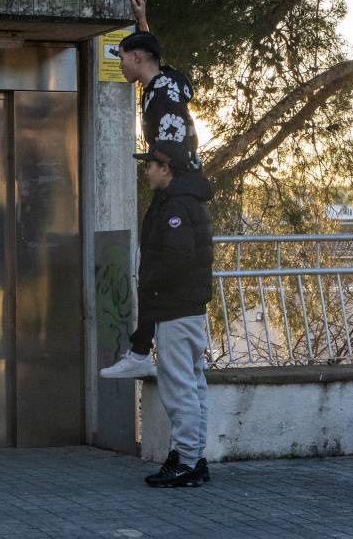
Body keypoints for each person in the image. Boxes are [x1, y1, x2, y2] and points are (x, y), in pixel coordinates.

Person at [101, 0, 202, 379]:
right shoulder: (169, 82)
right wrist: (142, 22)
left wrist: (162, 176)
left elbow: (172, 141)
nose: (121, 64)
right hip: (186, 185)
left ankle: (144, 350)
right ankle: (151, 349)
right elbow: (159, 61)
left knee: (154, 264)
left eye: (123, 57)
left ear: (137, 58)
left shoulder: (159, 96)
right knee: (155, 263)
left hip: (178, 189)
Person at [131, 140, 213, 487]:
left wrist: (149, 281)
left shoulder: (176, 205)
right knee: (193, 387)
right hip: (187, 310)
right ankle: (193, 458)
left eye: (150, 165)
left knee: (180, 390)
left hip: (176, 311)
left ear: (166, 169)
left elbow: (178, 258)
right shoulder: (184, 201)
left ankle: (186, 462)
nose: (146, 170)